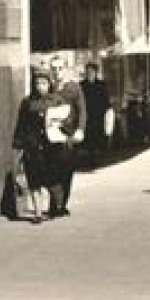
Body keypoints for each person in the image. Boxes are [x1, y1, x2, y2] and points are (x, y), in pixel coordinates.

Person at [12, 70, 55, 223]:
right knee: (33, 179)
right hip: (32, 146)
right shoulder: (27, 102)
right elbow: (21, 123)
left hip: (51, 146)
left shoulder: (55, 101)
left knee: (50, 178)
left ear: (50, 84)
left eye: (43, 83)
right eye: (37, 83)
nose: (40, 87)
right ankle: (38, 213)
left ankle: (51, 208)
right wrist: (19, 143)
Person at [46, 55, 85, 216]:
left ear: (66, 69)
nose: (57, 72)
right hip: (50, 136)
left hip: (68, 137)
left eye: (60, 68)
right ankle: (56, 203)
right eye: (54, 69)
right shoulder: (47, 88)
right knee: (51, 170)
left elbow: (82, 110)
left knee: (66, 171)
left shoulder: (73, 88)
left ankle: (60, 205)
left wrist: (80, 129)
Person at [82, 62, 111, 151]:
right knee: (89, 135)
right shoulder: (82, 85)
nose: (89, 74)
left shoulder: (101, 84)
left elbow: (106, 99)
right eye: (87, 72)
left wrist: (107, 110)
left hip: (99, 114)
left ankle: (99, 150)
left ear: (95, 72)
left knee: (99, 133)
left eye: (91, 71)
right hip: (87, 114)